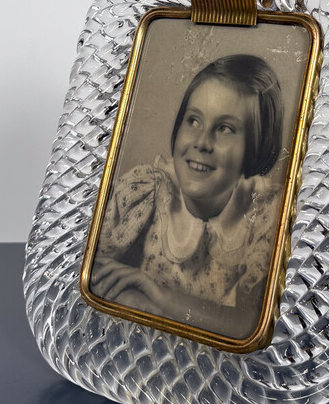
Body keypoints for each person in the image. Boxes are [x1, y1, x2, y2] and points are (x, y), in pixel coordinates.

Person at [90, 54, 284, 339]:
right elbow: (92, 275)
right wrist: (134, 301)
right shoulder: (146, 191)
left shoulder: (265, 214)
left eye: (225, 128)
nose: (202, 142)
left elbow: (250, 324)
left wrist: (160, 296)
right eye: (193, 120)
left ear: (256, 146)